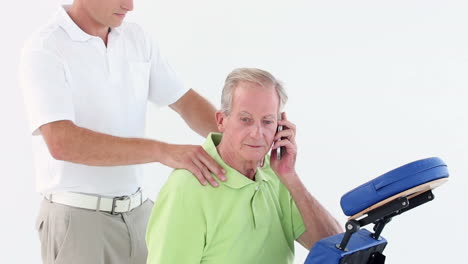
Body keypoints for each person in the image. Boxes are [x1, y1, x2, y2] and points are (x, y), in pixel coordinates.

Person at [19, 0, 226, 263]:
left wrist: (239, 136)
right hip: (80, 224)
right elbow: (62, 142)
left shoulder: (136, 37)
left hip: (141, 217)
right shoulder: (45, 47)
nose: (130, 6)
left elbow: (185, 101)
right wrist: (161, 151)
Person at [146, 68, 343, 264]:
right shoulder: (187, 186)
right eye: (246, 120)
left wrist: (290, 176)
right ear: (221, 120)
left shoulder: (277, 175)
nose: (257, 133)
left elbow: (338, 250)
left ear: (280, 126)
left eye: (267, 121)